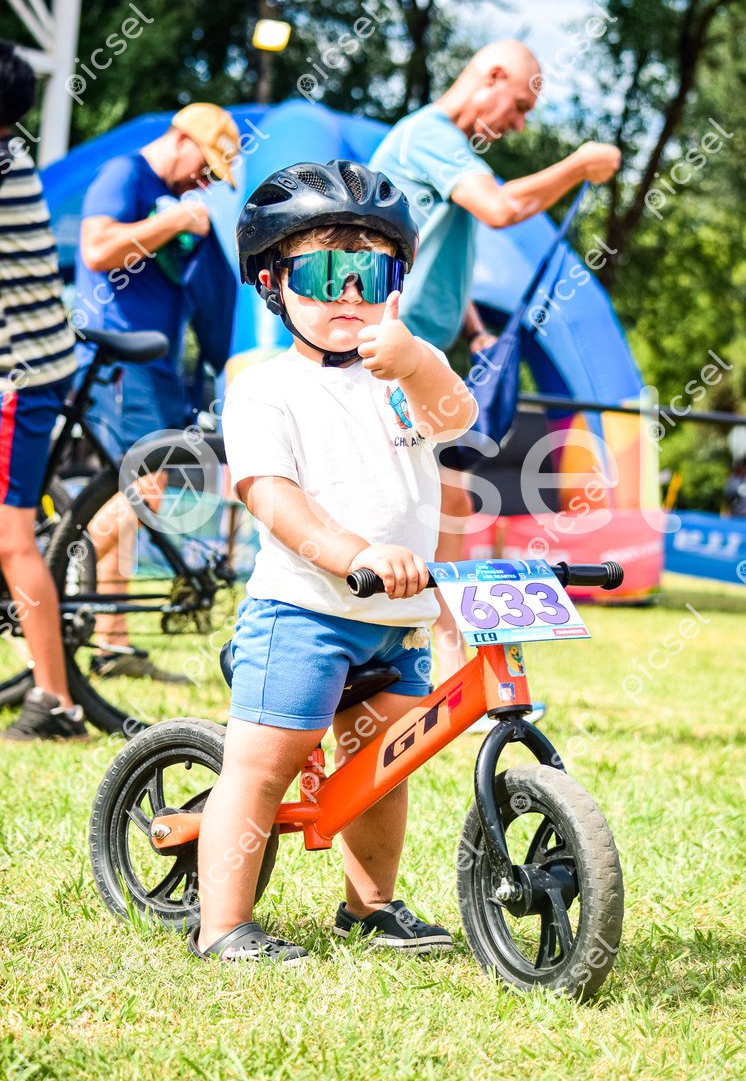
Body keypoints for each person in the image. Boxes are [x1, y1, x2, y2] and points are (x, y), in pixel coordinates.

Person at [191, 159, 477, 962]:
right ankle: (223, 926)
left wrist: (416, 361)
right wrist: (355, 553)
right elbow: (273, 497)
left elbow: (457, 416)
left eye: (370, 274)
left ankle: (370, 908)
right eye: (323, 273)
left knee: (382, 768)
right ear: (273, 283)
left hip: (395, 620)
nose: (348, 293)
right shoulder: (266, 390)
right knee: (262, 767)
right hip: (302, 614)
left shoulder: (398, 375)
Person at [370, 39, 622, 677]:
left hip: (420, 354)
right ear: (494, 74)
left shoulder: (437, 147)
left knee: (450, 504)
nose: (519, 124)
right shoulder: (430, 135)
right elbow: (502, 208)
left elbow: (434, 257)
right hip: (392, 356)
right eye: (520, 106)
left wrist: (476, 330)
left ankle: (448, 661)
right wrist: (578, 165)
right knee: (433, 505)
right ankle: (442, 661)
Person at [74, 103, 240, 680]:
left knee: (127, 492)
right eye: (206, 168)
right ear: (183, 138)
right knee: (142, 487)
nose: (205, 182)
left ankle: (111, 644)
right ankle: (51, 575)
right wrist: (176, 222)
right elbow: (97, 250)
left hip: (152, 365)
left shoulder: (162, 191)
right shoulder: (125, 173)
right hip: (121, 363)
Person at [0, 41, 86, 742]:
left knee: (13, 540)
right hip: (36, 363)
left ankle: (56, 701)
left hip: (20, 377)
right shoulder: (14, 156)